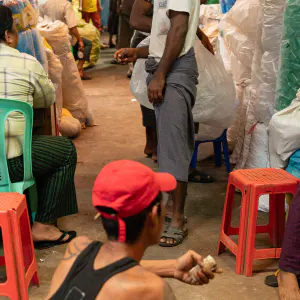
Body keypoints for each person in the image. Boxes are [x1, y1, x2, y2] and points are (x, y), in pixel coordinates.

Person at [47, 160, 221, 299]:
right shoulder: (153, 291)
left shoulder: (77, 249)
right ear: (153, 216)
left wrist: (174, 267)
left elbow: (111, 270)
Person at [0, 5, 78, 249]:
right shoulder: (26, 62)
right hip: (11, 166)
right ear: (7, 35)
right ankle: (43, 225)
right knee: (64, 150)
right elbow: (47, 100)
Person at [130, 0, 214, 181]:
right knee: (171, 137)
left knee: (174, 137)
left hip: (173, 59)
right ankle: (174, 193)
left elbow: (179, 29)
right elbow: (139, 21)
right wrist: (159, 74)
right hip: (162, 55)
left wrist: (191, 31)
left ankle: (175, 201)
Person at [39, 0, 93, 80]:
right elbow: (72, 28)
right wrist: (80, 40)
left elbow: (39, 21)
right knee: (86, 44)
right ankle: (79, 69)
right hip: (62, 38)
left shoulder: (43, 4)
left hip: (46, 37)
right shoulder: (66, 4)